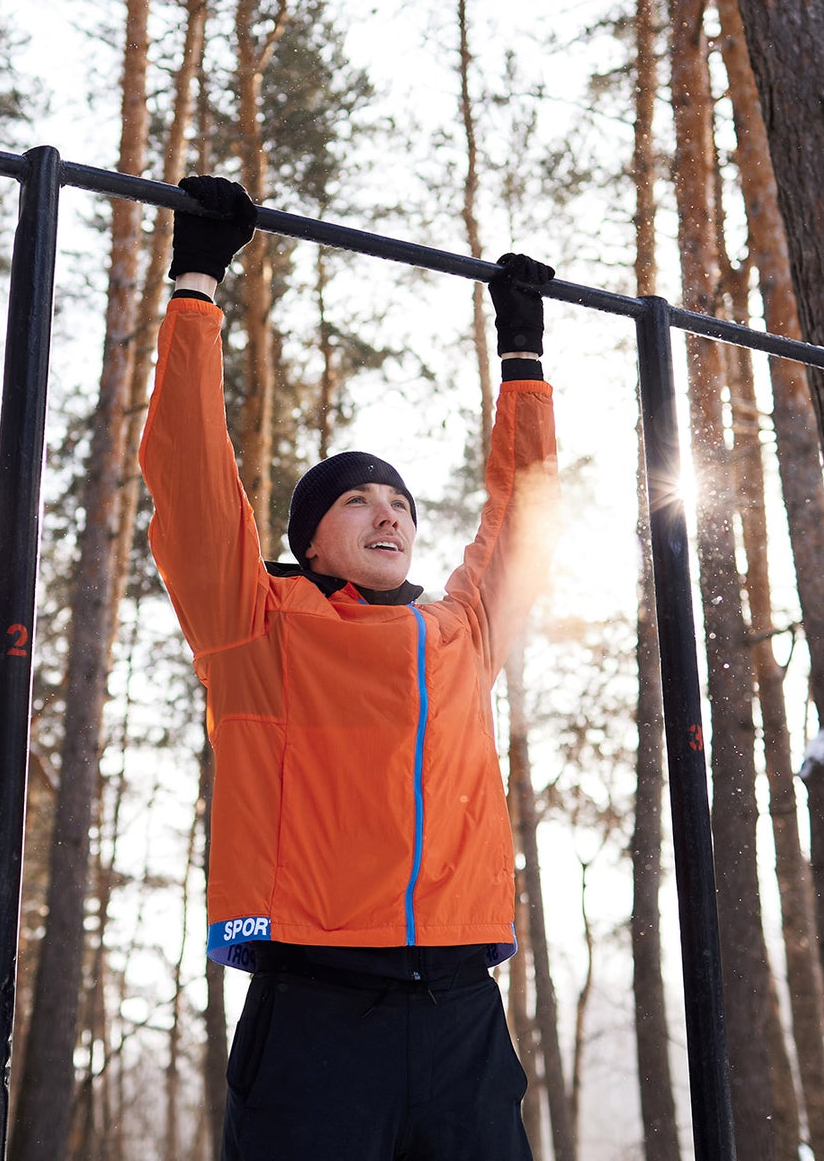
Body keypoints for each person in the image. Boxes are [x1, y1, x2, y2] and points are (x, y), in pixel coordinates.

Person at [138, 174, 560, 1161]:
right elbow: (194, 478)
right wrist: (196, 282)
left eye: (402, 504)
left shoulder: (462, 633)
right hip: (319, 1011)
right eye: (358, 502)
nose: (389, 514)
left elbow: (526, 512)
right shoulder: (258, 628)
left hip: (461, 1010)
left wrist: (524, 357)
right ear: (311, 543)